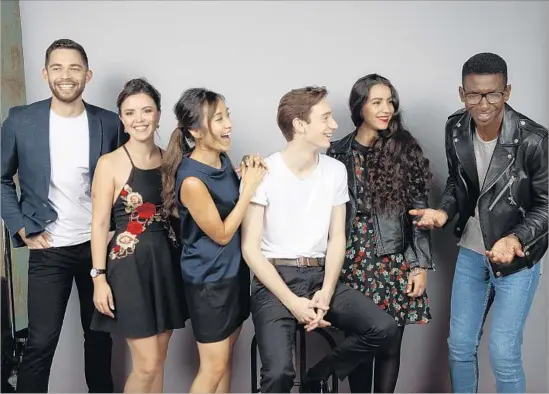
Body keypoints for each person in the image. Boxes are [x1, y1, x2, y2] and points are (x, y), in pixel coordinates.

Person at [241, 86, 399, 393]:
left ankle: (317, 377)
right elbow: (250, 249)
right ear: (300, 124)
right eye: (325, 117)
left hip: (320, 276)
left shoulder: (335, 170)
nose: (334, 125)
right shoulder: (263, 172)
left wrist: (326, 292)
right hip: (274, 281)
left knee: (385, 328)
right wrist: (293, 303)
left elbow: (337, 237)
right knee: (279, 374)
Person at [411, 52, 547, 393]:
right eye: (473, 94)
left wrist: (515, 239)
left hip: (516, 259)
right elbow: (459, 185)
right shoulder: (455, 128)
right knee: (459, 346)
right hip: (471, 251)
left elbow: (546, 205)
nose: (483, 103)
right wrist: (443, 212)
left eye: (493, 94)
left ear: (507, 91)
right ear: (462, 93)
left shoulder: (534, 139)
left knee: (503, 353)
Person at [1, 38, 126, 393]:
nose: (65, 76)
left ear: (87, 74)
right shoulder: (20, 121)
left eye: (74, 68)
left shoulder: (108, 123)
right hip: (49, 250)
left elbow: (125, 180)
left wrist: (119, 228)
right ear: (45, 74)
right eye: (57, 68)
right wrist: (21, 226)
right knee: (40, 344)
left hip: (96, 248)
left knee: (100, 342)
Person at [327, 74, 433, 393]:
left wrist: (420, 266)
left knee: (389, 349)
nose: (386, 109)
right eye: (377, 102)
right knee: (361, 346)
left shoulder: (404, 148)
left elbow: (419, 212)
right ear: (360, 107)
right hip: (351, 265)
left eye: (390, 102)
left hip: (392, 262)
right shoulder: (337, 153)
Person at [161, 88, 266, 393]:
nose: (228, 124)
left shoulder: (220, 161)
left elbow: (227, 200)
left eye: (227, 114)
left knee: (225, 362)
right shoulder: (192, 179)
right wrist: (248, 189)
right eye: (218, 118)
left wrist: (244, 171)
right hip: (209, 282)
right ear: (195, 131)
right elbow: (221, 233)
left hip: (232, 275)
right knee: (213, 367)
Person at [90, 78, 188, 393]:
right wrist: (98, 278)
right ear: (122, 118)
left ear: (158, 114)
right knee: (145, 366)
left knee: (158, 362)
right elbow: (98, 224)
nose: (139, 119)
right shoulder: (110, 163)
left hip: (166, 266)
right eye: (130, 113)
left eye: (147, 110)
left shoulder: (172, 159)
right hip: (128, 269)